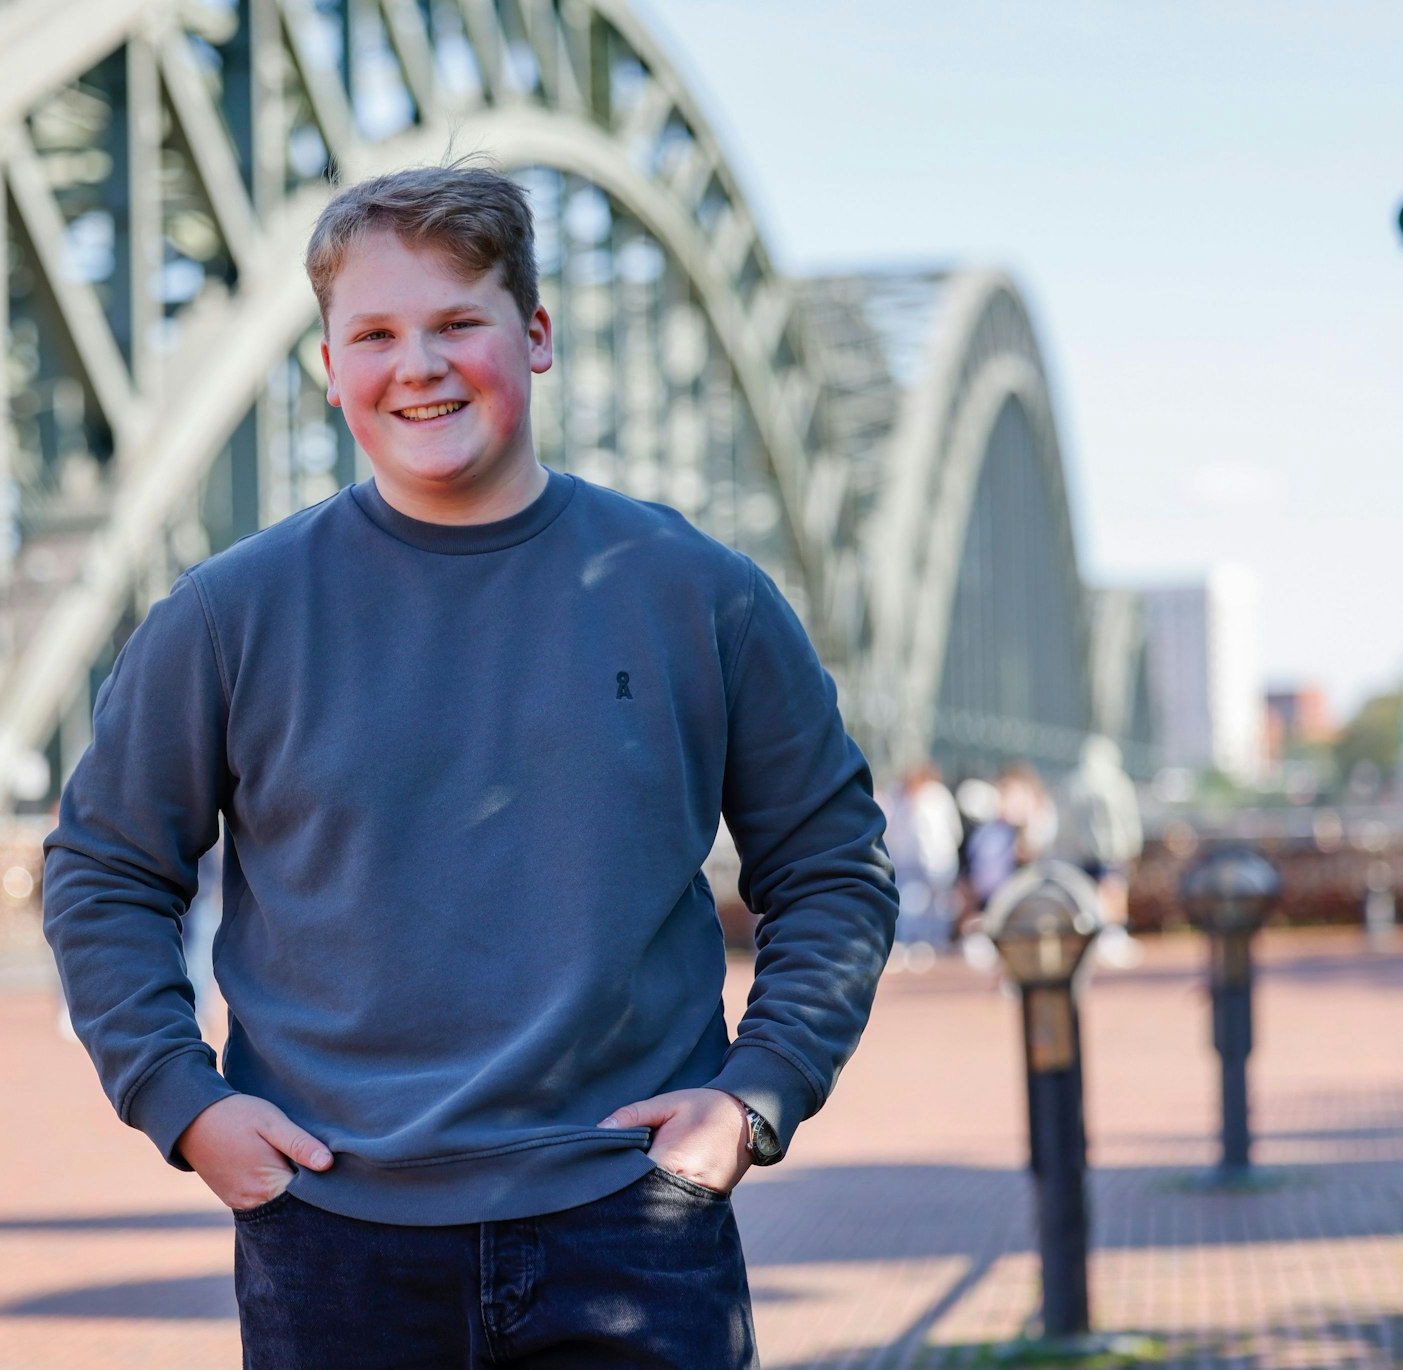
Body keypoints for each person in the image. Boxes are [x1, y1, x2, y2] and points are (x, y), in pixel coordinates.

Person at [44, 162, 898, 1367]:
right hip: (332, 1229)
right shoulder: (227, 616)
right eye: (375, 334)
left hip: (632, 1223)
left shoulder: (699, 595)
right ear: (327, 366)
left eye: (458, 323)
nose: (420, 366)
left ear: (535, 334)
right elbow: (104, 870)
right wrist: (183, 1104)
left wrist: (759, 1089)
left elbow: (833, 869)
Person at [1059, 736, 1145, 967]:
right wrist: (1132, 845)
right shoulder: (1116, 783)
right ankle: (1109, 937)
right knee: (1109, 892)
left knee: (1104, 892)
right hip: (1106, 849)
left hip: (1093, 849)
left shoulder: (1076, 783)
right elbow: (1129, 820)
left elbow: (1065, 824)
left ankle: (1108, 937)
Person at [880, 763, 963, 967]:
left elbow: (952, 829)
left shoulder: (937, 796)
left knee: (938, 905)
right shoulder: (901, 797)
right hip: (911, 861)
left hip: (938, 860)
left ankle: (934, 942)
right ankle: (910, 943)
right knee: (911, 902)